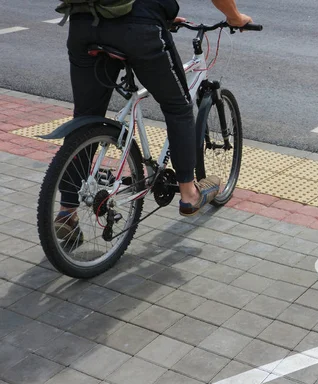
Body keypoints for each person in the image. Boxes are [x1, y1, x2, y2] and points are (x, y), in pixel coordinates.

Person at [54, 0, 253, 240]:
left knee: (86, 118)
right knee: (178, 107)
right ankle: (189, 193)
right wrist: (234, 17)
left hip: (83, 24)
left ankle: (67, 211)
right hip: (138, 27)